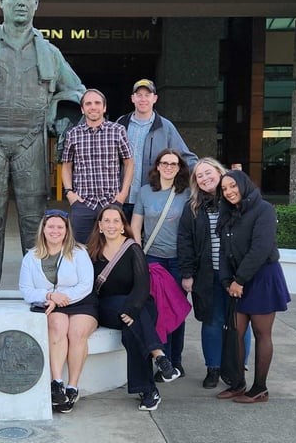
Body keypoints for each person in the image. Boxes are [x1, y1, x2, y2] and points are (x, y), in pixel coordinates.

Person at [0, 0, 86, 288]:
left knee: (34, 225)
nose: (21, 3)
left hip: (32, 146)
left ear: (37, 4)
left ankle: (39, 288)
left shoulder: (50, 53)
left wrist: (59, 107)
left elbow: (80, 93)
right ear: (1, 1)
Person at [87, 205, 180, 412]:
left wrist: (132, 309)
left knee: (132, 331)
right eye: (107, 221)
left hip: (137, 305)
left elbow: (142, 285)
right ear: (100, 226)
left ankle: (148, 392)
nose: (111, 225)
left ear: (122, 226)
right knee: (126, 311)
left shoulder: (132, 248)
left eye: (116, 221)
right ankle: (160, 356)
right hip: (106, 307)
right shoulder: (91, 251)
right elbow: (89, 287)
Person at [216, 170, 291, 403]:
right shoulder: (228, 212)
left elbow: (260, 248)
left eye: (232, 186)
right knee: (236, 331)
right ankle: (238, 384)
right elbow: (225, 250)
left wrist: (240, 280)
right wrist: (228, 281)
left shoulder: (264, 209)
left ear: (243, 185)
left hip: (263, 277)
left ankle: (260, 389)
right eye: (224, 189)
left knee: (261, 333)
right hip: (238, 280)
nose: (229, 192)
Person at [177, 157, 252, 389]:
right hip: (207, 276)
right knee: (211, 321)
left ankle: (239, 367)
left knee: (240, 322)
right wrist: (187, 273)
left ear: (220, 173)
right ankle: (213, 368)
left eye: (208, 173)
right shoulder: (193, 207)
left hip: (237, 275)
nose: (205, 178)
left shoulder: (237, 201)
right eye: (199, 176)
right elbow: (185, 241)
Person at [18, 210, 98, 413]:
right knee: (57, 328)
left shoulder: (79, 252)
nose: (55, 231)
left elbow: (86, 285)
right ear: (43, 229)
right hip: (51, 304)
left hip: (81, 302)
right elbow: (26, 290)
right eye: (51, 226)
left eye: (60, 227)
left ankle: (72, 386)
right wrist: (49, 296)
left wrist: (61, 297)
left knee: (77, 333)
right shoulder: (31, 256)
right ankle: (57, 383)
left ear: (66, 230)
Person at [130, 148, 190, 379]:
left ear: (179, 168)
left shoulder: (186, 193)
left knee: (177, 310)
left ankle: (176, 361)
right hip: (152, 258)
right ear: (157, 166)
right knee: (157, 311)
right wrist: (139, 256)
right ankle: (162, 359)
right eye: (164, 163)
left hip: (177, 260)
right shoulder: (145, 192)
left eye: (173, 164)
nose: (168, 167)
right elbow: (136, 226)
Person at [115, 79, 198, 222]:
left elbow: (185, 158)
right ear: (132, 98)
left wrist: (204, 173)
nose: (143, 99)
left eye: (147, 95)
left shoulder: (166, 127)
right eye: (139, 95)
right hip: (123, 199)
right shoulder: (120, 124)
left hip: (153, 198)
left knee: (149, 242)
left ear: (155, 98)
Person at [60, 88, 134, 243]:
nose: (93, 107)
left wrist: (123, 194)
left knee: (112, 250)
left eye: (97, 103)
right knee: (79, 250)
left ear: (104, 107)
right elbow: (66, 165)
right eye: (88, 103)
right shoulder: (72, 134)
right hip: (82, 202)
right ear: (82, 109)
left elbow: (128, 162)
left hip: (111, 201)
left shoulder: (117, 131)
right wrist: (69, 193)